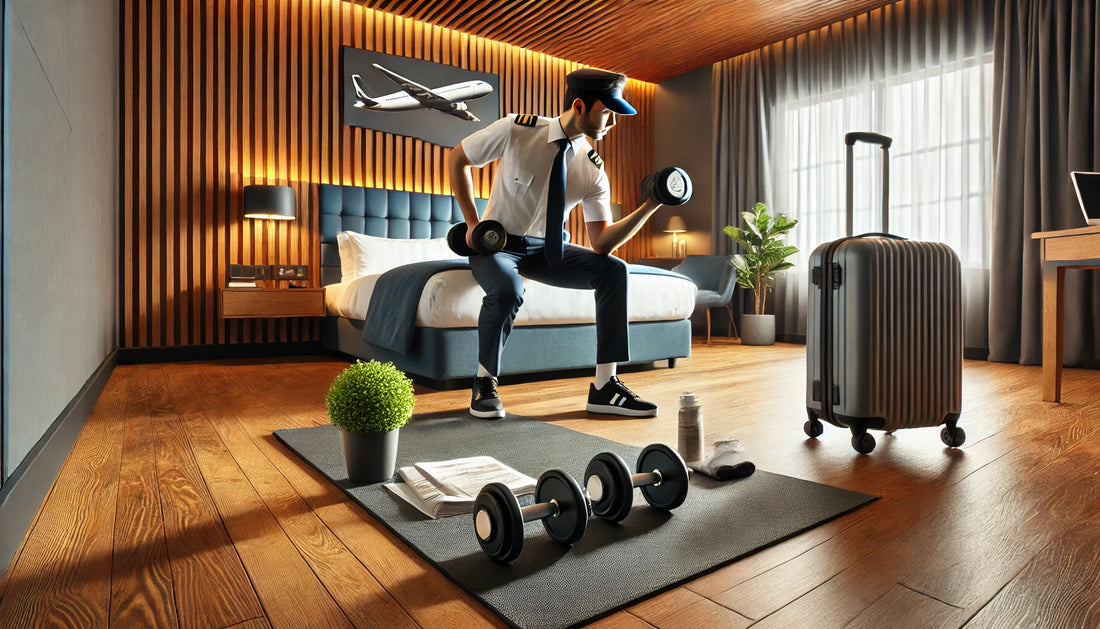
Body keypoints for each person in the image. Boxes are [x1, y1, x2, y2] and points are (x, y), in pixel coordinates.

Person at [449, 68, 668, 420]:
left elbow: (601, 243)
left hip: (548, 251)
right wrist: (473, 224)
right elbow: (457, 159)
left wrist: (650, 205)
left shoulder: (593, 169)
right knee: (507, 288)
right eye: (607, 112)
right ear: (579, 106)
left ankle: (605, 386)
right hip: (497, 245)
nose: (612, 122)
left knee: (614, 270)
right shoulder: (518, 129)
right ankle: (485, 382)